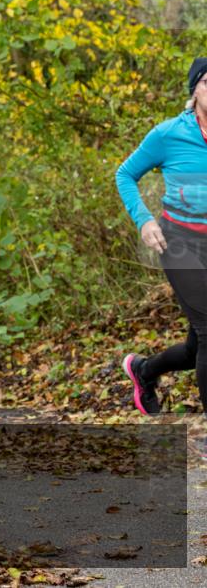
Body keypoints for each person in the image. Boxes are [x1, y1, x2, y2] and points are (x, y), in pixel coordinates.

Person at [119, 57, 207, 415]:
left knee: (196, 346)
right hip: (180, 241)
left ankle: (144, 370)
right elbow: (125, 174)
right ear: (195, 90)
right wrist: (144, 221)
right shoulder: (168, 134)